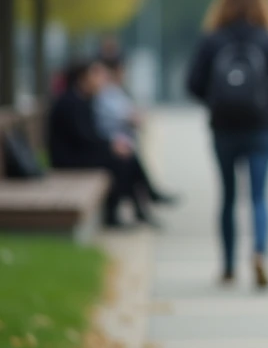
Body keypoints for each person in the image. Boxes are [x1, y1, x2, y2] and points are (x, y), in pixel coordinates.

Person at [187, 0, 268, 289]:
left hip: (223, 129)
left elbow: (193, 84)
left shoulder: (212, 40)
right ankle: (260, 252)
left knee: (228, 198)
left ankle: (228, 265)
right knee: (260, 197)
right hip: (260, 128)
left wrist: (215, 103)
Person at [48, 58, 151, 228]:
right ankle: (113, 215)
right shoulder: (70, 102)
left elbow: (88, 137)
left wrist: (112, 145)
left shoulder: (82, 99)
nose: (102, 80)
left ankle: (140, 204)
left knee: (125, 156)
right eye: (96, 74)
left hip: (78, 154)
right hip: (67, 160)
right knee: (120, 161)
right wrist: (110, 146)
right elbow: (83, 137)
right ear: (83, 78)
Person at [95, 53, 178, 207]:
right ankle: (147, 200)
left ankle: (145, 205)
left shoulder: (114, 91)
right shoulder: (106, 93)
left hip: (115, 141)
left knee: (130, 158)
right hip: (107, 143)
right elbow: (128, 116)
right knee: (128, 160)